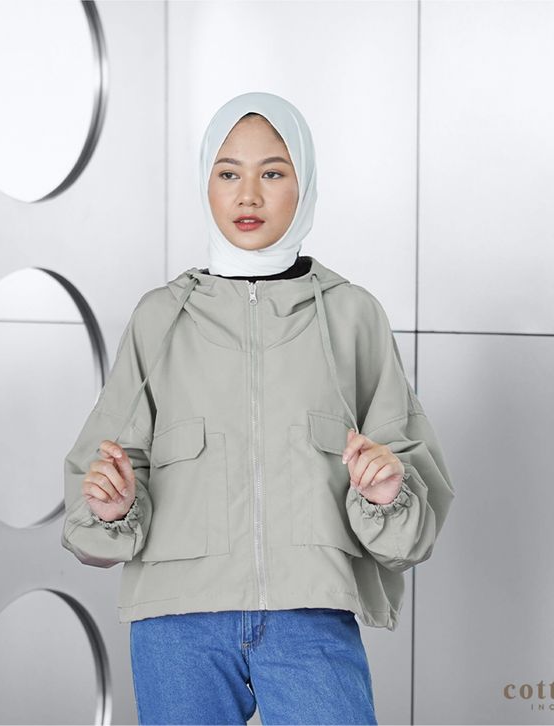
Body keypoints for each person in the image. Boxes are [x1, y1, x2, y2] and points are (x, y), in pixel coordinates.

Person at [61, 91, 456, 725]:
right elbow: (99, 482)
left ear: (306, 182)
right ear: (206, 183)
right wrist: (113, 508)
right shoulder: (160, 319)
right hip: (177, 625)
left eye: (272, 173)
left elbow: (412, 514)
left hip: (311, 614)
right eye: (228, 174)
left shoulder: (353, 316)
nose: (248, 195)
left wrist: (387, 495)